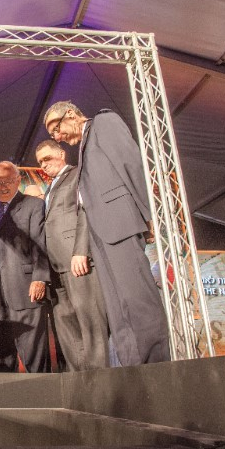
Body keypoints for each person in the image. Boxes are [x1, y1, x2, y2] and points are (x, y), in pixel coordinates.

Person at [44, 101, 169, 365]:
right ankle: (133, 367)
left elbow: (132, 165)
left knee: (138, 300)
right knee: (118, 310)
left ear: (71, 113)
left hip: (121, 225)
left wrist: (150, 214)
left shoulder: (105, 123)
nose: (57, 137)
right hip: (100, 236)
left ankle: (158, 364)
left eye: (56, 128)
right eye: (52, 133)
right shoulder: (83, 147)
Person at [36, 139, 108, 370]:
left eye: (47, 158)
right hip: (56, 269)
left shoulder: (78, 174)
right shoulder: (50, 188)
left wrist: (81, 250)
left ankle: (103, 383)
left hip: (78, 263)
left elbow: (86, 212)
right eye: (40, 162)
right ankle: (81, 383)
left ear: (61, 154)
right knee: (67, 329)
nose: (44, 165)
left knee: (91, 326)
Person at [0, 161, 51, 373]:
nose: (3, 186)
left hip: (24, 287)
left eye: (8, 181)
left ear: (18, 180)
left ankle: (43, 400)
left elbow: (40, 243)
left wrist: (40, 278)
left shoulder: (33, 206)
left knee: (33, 354)